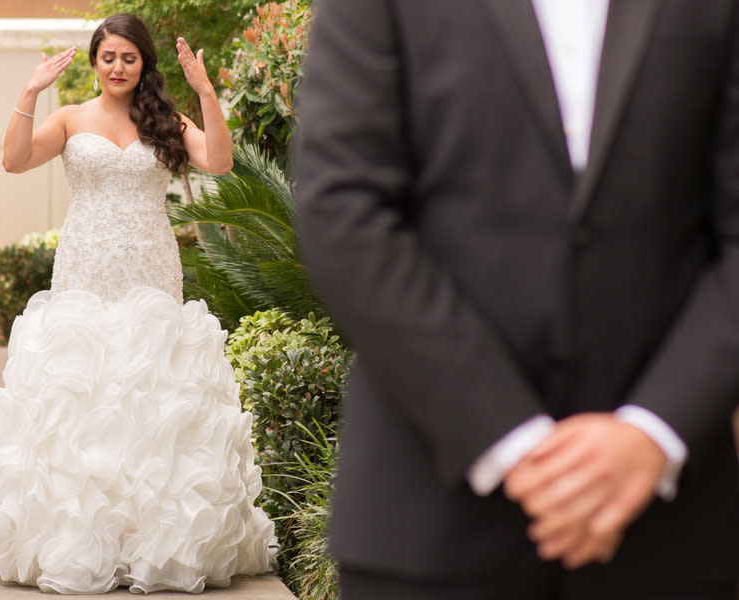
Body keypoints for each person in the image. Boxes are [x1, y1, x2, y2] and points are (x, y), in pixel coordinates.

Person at [294, 1, 739, 599]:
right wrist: (514, 442)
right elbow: (341, 213)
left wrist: (654, 431)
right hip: (428, 531)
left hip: (671, 539)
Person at [0, 13, 276, 594]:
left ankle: (154, 542)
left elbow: (220, 161)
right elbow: (13, 160)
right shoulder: (68, 117)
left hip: (151, 270)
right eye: (108, 56)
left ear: (143, 64)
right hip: (84, 267)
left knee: (152, 392)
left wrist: (205, 90)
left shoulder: (163, 119)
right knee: (80, 392)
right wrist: (30, 91)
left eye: (129, 58)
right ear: (93, 61)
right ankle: (75, 541)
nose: (117, 67)